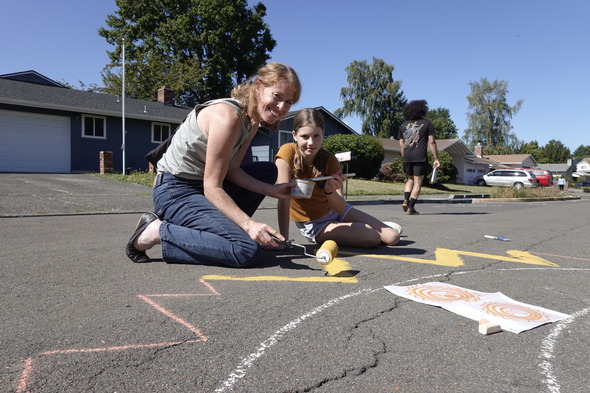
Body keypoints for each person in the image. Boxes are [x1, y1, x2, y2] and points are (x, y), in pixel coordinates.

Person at [125, 63, 301, 267]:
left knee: (267, 172)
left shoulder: (251, 121)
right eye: (277, 96)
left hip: (199, 189)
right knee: (245, 251)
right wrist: (249, 225)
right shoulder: (227, 117)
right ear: (259, 86)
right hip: (175, 190)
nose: (282, 107)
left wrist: (273, 190)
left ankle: (217, 231)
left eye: (289, 102)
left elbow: (233, 170)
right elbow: (212, 187)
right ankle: (156, 231)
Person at [274, 108, 402, 248]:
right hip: (316, 224)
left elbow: (340, 208)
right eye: (305, 136)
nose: (311, 142)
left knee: (393, 237)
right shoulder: (287, 152)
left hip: (336, 212)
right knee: (372, 237)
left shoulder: (330, 159)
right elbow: (283, 199)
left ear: (323, 134)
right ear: (295, 135)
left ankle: (359, 228)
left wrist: (330, 192)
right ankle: (359, 229)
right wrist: (283, 240)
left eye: (316, 136)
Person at [398, 100, 440, 215]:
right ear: (422, 110)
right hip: (420, 157)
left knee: (410, 179)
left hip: (407, 157)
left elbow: (401, 144)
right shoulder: (427, 123)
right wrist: (436, 158)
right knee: (418, 182)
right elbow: (432, 142)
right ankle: (411, 208)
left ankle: (406, 199)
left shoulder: (403, 125)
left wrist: (404, 156)